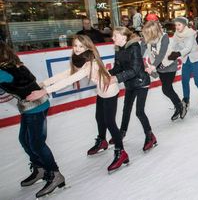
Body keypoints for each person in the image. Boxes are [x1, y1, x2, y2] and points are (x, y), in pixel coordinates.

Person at [27, 35, 130, 174]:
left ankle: (121, 152)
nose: (77, 49)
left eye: (81, 46)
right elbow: (66, 73)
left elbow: (70, 79)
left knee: (110, 122)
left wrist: (45, 91)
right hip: (101, 90)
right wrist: (44, 83)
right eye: (75, 45)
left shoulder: (90, 62)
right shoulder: (81, 58)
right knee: (99, 118)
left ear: (87, 47)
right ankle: (102, 141)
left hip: (109, 91)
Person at [0, 42, 65, 198]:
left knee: (36, 143)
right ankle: (40, 168)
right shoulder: (13, 64)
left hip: (35, 107)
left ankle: (55, 174)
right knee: (24, 139)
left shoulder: (4, 70)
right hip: (31, 105)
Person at [108, 27, 157, 152]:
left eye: (115, 36)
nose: (112, 38)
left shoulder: (134, 47)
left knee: (139, 112)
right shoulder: (118, 49)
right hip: (130, 83)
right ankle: (122, 133)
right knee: (126, 109)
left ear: (124, 37)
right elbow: (118, 67)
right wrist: (108, 74)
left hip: (141, 82)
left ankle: (150, 136)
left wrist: (117, 78)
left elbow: (135, 70)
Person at [142, 21, 186, 121]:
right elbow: (141, 51)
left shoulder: (164, 37)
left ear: (153, 31)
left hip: (169, 65)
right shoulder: (147, 38)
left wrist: (153, 66)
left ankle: (180, 106)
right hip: (159, 67)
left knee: (166, 89)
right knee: (168, 89)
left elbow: (162, 53)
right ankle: (178, 105)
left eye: (149, 32)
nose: (147, 35)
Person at [168, 17, 198, 114]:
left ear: (184, 25)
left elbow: (188, 48)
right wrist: (169, 53)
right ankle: (186, 99)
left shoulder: (190, 34)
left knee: (197, 81)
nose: (177, 27)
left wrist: (177, 54)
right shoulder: (176, 35)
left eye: (179, 24)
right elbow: (173, 46)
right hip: (186, 60)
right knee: (184, 81)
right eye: (176, 25)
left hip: (196, 59)